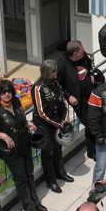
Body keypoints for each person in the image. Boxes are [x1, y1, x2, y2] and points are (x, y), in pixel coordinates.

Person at [0, 80, 47, 211]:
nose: (7, 94)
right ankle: (29, 208)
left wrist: (28, 124)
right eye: (3, 92)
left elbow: (22, 120)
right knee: (21, 178)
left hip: (25, 144)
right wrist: (3, 135)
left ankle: (36, 202)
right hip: (11, 151)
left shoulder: (17, 103)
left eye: (9, 91)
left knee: (29, 174)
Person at [32, 60, 74, 194]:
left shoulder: (55, 83)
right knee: (48, 152)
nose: (56, 73)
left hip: (57, 121)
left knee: (58, 148)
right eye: (53, 71)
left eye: (56, 70)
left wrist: (65, 117)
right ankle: (51, 181)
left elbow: (62, 101)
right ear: (46, 72)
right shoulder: (37, 88)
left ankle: (60, 172)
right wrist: (57, 123)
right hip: (44, 125)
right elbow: (41, 112)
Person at [57, 40, 96, 160]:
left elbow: (89, 66)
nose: (84, 51)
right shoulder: (62, 64)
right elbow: (58, 85)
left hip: (91, 94)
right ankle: (93, 151)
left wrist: (91, 75)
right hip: (78, 100)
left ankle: (92, 150)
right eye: (81, 50)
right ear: (75, 53)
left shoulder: (84, 57)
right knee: (90, 123)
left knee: (93, 122)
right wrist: (68, 96)